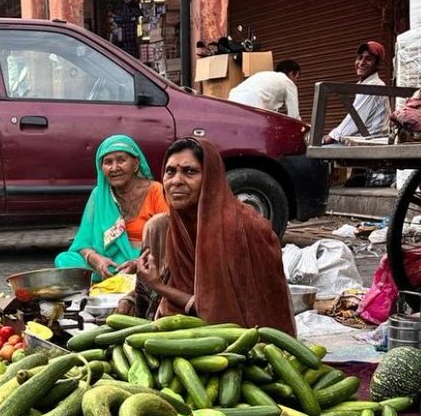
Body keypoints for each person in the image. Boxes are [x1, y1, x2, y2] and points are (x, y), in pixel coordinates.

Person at [119, 137, 295, 335]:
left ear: (211, 178)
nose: (176, 181)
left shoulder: (243, 230)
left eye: (190, 171)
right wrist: (130, 300)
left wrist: (159, 287)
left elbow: (227, 317)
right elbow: (147, 292)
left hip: (235, 345)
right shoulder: (162, 228)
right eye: (170, 171)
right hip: (171, 336)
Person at [54, 134, 168, 279]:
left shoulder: (156, 191)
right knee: (64, 259)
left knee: (157, 266)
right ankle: (115, 277)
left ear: (136, 163)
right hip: (110, 261)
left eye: (121, 160)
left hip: (146, 258)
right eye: (108, 162)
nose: (114, 168)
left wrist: (136, 263)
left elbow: (169, 238)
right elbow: (83, 243)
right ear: (101, 168)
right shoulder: (99, 195)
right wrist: (97, 260)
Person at [321, 41, 390, 143]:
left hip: (373, 141)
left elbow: (356, 119)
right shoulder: (364, 84)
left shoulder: (373, 85)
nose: (361, 63)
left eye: (369, 59)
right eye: (360, 57)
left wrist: (332, 136)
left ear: (377, 65)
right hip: (364, 138)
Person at [228, 60, 301, 117]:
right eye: (297, 78)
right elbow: (294, 115)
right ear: (291, 74)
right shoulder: (288, 82)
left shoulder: (265, 75)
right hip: (252, 105)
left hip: (232, 101)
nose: (296, 82)